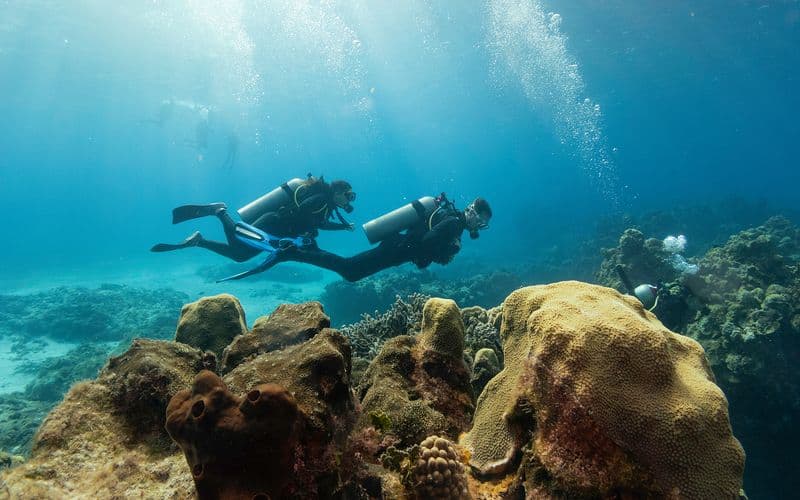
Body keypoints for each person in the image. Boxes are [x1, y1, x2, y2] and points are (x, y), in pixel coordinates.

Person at [221, 194, 491, 282]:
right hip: (398, 249)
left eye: (483, 224)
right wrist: (446, 252)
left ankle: (303, 250)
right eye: (481, 220)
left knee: (350, 270)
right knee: (350, 270)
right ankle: (293, 251)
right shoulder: (454, 224)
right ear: (473, 214)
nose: (480, 225)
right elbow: (429, 241)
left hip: (398, 247)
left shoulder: (452, 219)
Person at [151, 176, 357, 265]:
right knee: (237, 241)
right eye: (348, 195)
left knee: (239, 256)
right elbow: (304, 210)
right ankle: (219, 211)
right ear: (337, 192)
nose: (349, 200)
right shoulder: (321, 199)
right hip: (272, 223)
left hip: (276, 234)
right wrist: (309, 230)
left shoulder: (326, 206)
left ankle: (199, 241)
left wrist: (343, 226)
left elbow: (321, 223)